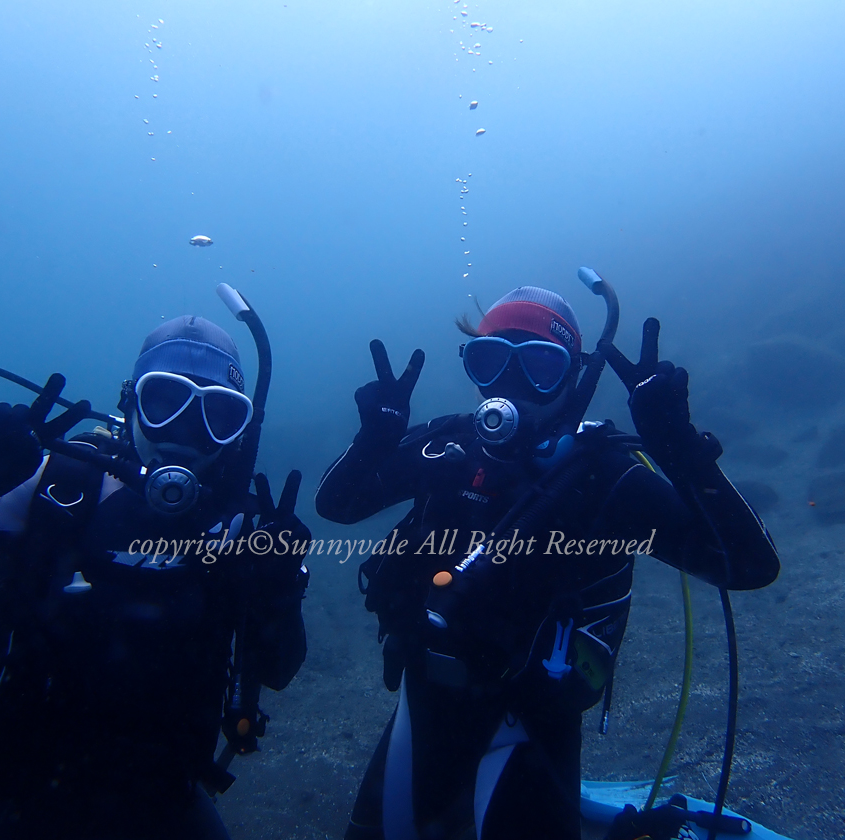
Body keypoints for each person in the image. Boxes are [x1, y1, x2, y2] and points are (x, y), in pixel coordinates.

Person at [316, 286, 779, 840]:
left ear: (572, 376)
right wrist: (374, 439)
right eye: (489, 362)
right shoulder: (448, 447)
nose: (511, 386)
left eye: (538, 364)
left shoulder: (604, 475)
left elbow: (748, 567)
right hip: (423, 706)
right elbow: (339, 506)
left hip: (535, 726)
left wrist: (677, 445)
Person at [0, 316, 311, 839]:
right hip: (22, 799)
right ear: (130, 402)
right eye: (164, 402)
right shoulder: (53, 487)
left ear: (238, 430)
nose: (184, 434)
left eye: (216, 414)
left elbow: (278, 670)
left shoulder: (241, 529)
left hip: (165, 793)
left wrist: (280, 591)